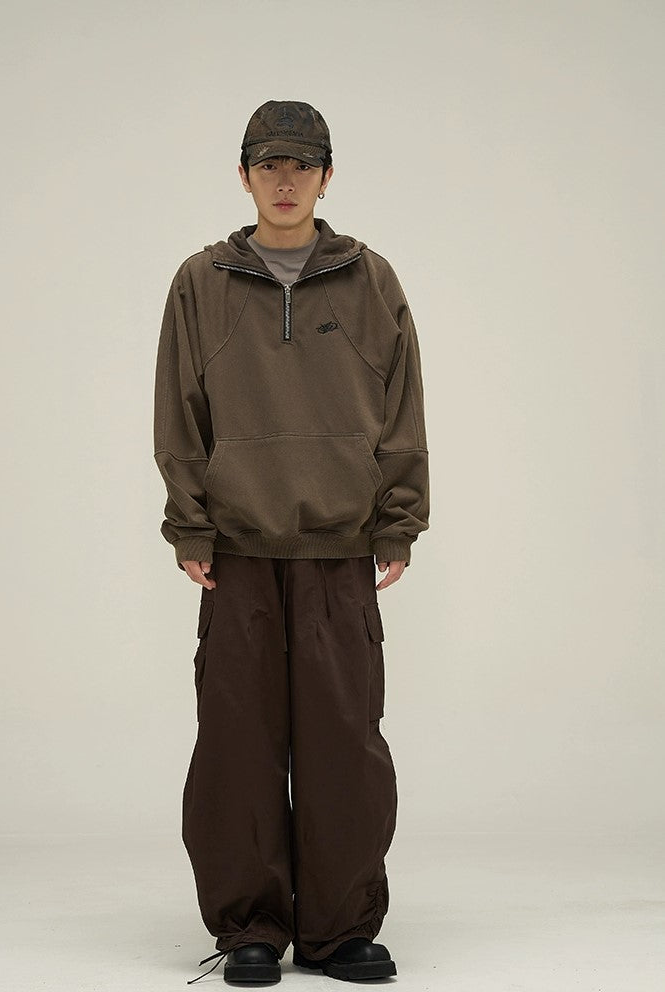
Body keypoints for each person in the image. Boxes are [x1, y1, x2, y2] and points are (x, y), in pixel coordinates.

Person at [152, 100, 430, 985]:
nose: (284, 181)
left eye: (300, 165)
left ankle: (338, 928)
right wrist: (189, 521)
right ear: (242, 175)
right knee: (236, 743)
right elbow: (178, 411)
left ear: (326, 175)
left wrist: (398, 518)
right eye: (268, 165)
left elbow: (402, 407)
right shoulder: (200, 281)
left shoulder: (370, 279)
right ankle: (250, 927)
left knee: (345, 741)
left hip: (339, 545)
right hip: (236, 549)